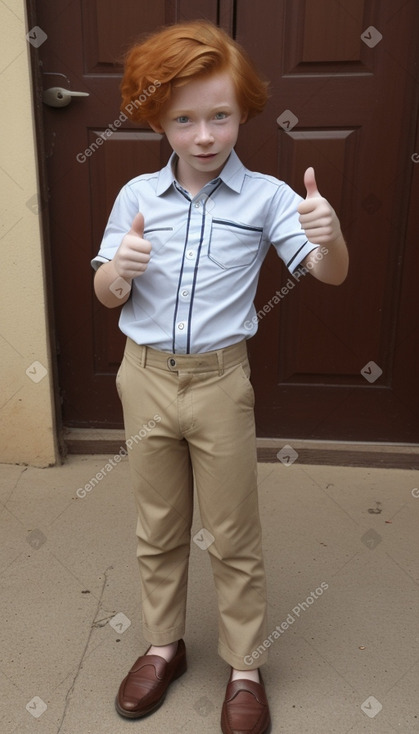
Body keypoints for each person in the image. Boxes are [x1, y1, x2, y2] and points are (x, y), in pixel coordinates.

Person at [91, 19, 348, 734]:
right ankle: (163, 646)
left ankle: (242, 665)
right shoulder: (136, 198)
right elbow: (106, 294)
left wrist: (330, 236)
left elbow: (327, 275)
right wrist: (118, 273)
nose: (203, 135)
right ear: (156, 118)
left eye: (219, 116)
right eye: (183, 119)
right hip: (142, 379)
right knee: (158, 525)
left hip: (218, 384)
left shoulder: (267, 198)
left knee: (234, 532)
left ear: (242, 112)